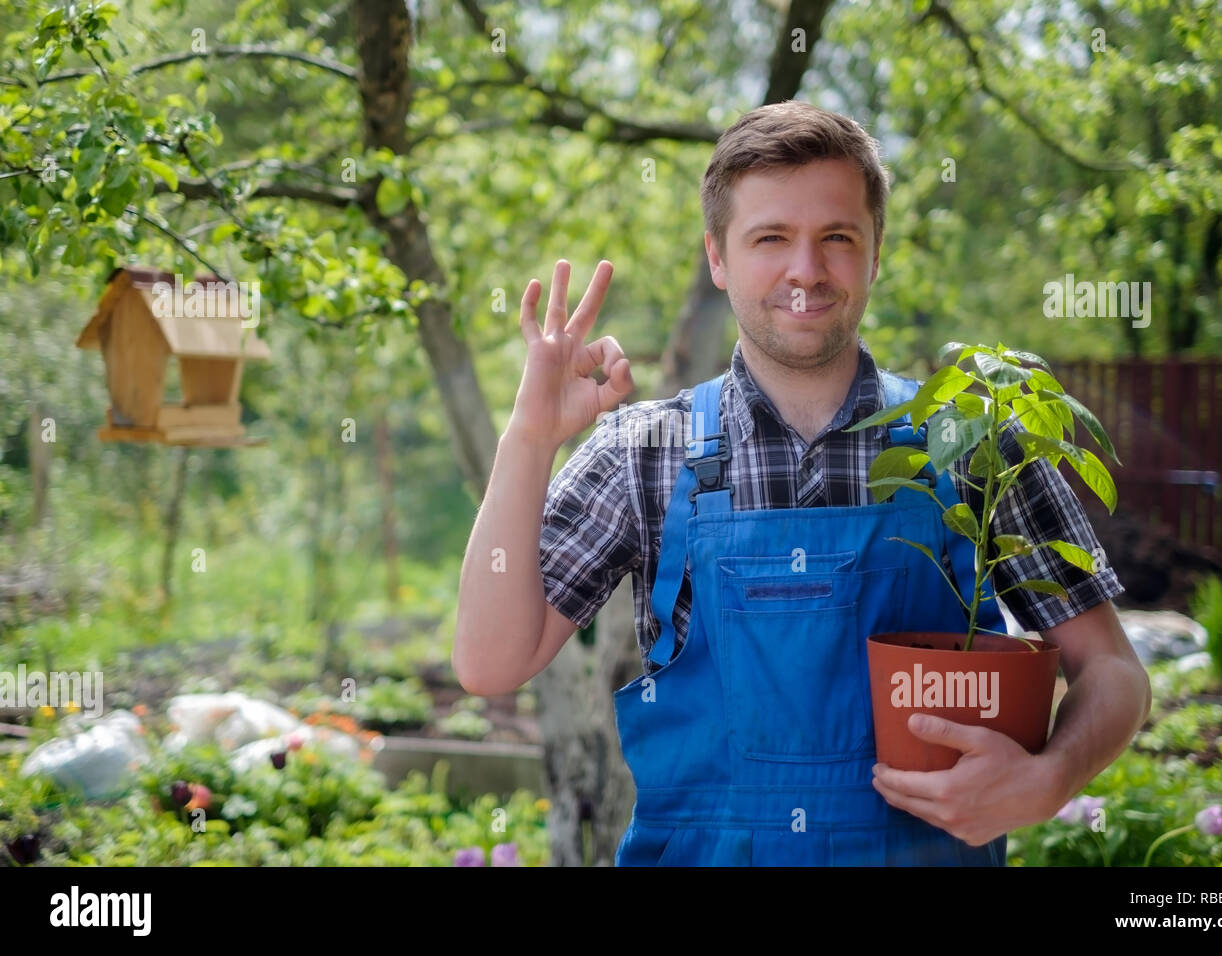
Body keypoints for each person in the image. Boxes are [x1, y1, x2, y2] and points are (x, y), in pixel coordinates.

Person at [453, 100, 1151, 866]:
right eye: (771, 238)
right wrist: (529, 436)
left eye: (837, 238)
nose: (806, 271)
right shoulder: (645, 449)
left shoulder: (974, 440)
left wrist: (1050, 779)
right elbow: (490, 661)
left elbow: (1112, 670)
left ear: (876, 251)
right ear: (718, 258)